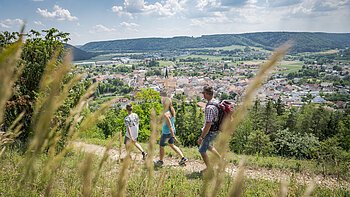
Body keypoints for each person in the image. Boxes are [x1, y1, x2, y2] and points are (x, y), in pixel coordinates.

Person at [155, 97, 188, 166]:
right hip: (172, 131)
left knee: (161, 146)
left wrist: (173, 136)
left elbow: (169, 126)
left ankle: (160, 161)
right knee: (172, 145)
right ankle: (183, 158)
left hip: (167, 133)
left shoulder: (166, 114)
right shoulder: (172, 110)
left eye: (163, 102)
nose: (162, 103)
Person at [197, 85, 222, 171]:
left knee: (202, 150)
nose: (203, 95)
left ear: (207, 94)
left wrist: (201, 137)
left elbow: (208, 124)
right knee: (209, 146)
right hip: (216, 129)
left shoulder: (209, 107)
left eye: (203, 93)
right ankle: (221, 160)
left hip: (211, 131)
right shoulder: (216, 102)